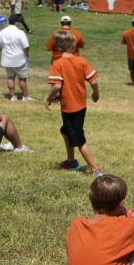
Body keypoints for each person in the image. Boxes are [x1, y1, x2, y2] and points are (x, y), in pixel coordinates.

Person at [47, 29, 103, 176]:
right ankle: (71, 161)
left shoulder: (57, 64)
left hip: (69, 108)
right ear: (72, 45)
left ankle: (95, 169)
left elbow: (57, 85)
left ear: (58, 47)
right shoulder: (81, 61)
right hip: (80, 106)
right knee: (65, 131)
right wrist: (95, 94)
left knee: (78, 139)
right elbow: (94, 80)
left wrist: (48, 98)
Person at [0, 14, 32, 101]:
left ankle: (13, 96)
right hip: (19, 59)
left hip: (6, 59)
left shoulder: (2, 32)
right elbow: (26, 46)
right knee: (22, 78)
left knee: (10, 77)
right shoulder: (20, 32)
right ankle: (25, 96)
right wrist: (27, 54)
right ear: (16, 22)